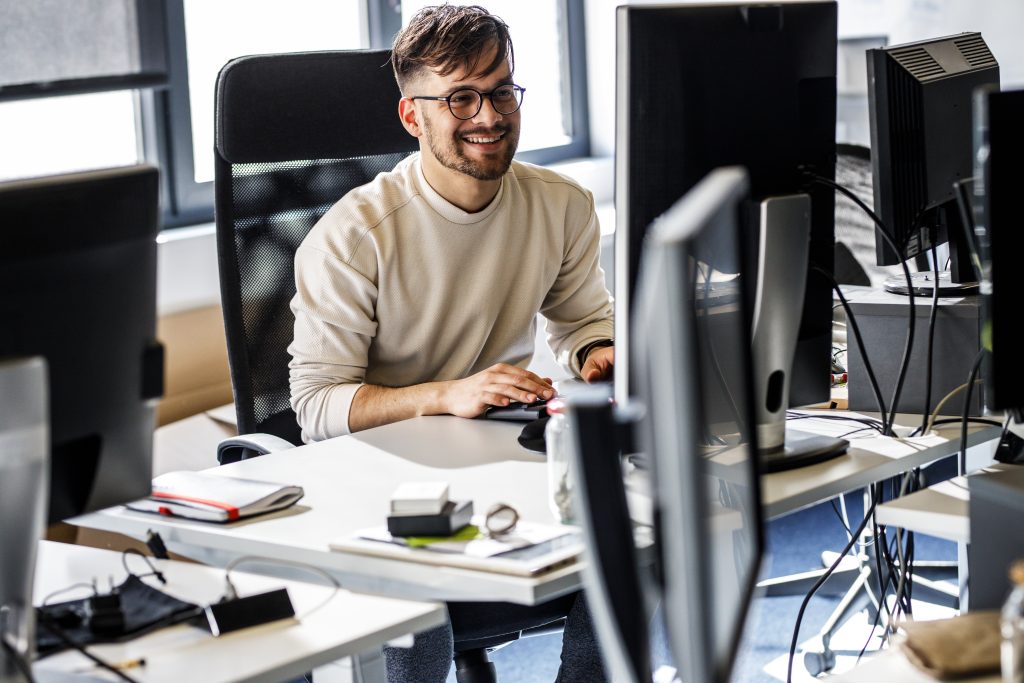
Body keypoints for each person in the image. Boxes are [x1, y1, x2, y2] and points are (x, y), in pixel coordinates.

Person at [288, 5, 613, 681]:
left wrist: (595, 354)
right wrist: (446, 395)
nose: (488, 116)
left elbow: (580, 318)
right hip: (381, 490)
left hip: (501, 469)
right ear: (414, 116)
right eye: (460, 97)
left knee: (635, 537)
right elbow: (316, 405)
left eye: (500, 91)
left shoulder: (563, 205)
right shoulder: (355, 237)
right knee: (420, 594)